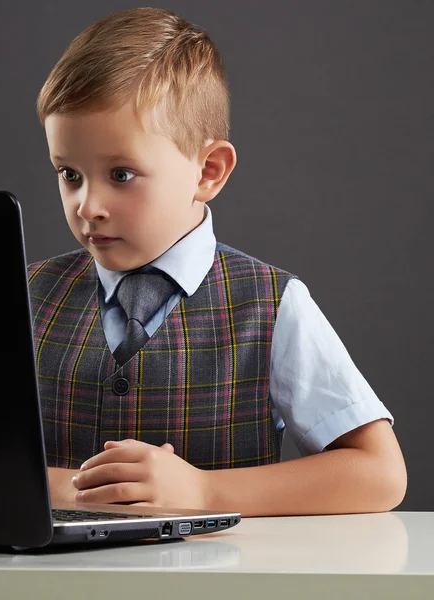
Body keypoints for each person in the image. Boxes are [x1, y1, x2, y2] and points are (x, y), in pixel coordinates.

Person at [27, 7, 407, 516]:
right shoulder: (24, 294)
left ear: (208, 171)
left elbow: (379, 474)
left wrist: (204, 492)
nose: (86, 205)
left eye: (120, 175)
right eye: (69, 173)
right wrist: (77, 489)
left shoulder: (271, 305)